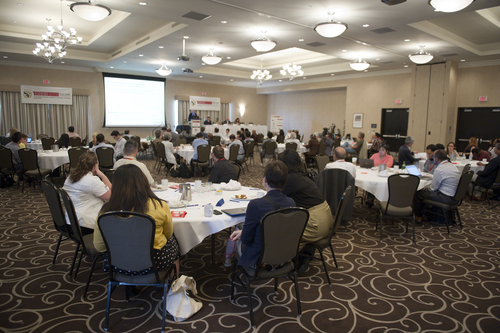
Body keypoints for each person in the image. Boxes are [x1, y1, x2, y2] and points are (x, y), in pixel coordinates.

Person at [93, 164, 180, 277]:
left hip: (117, 263)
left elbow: (99, 247)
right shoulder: (159, 205)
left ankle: (133, 284)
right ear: (143, 182)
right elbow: (167, 235)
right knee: (174, 242)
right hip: (154, 262)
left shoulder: (105, 212)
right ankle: (175, 286)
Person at [227, 161, 295, 267]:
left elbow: (246, 239)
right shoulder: (291, 202)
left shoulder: (256, 204)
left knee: (239, 229)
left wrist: (243, 232)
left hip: (260, 257)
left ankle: (226, 259)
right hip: (283, 253)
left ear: (264, 180)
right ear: (285, 181)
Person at [279, 150, 334, 250]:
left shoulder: (290, 179)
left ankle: (286, 260)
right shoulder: (302, 175)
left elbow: (275, 198)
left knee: (279, 230)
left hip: (315, 224)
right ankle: (304, 255)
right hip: (326, 219)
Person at [62, 151, 111, 235]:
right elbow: (110, 195)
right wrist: (102, 175)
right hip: (84, 224)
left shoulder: (70, 177)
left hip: (70, 220)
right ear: (95, 165)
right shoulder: (91, 180)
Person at [413, 149, 460, 223]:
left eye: (434, 157)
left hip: (445, 197)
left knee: (418, 193)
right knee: (424, 192)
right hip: (455, 197)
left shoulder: (440, 169)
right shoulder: (453, 166)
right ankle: (426, 214)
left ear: (437, 159)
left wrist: (425, 187)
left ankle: (417, 216)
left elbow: (433, 188)